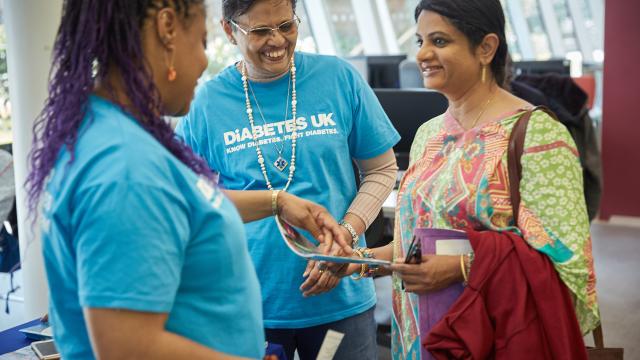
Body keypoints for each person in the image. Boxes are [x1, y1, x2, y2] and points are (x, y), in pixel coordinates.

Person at [26, 0, 350, 359]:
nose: (201, 63)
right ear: (167, 27)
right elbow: (127, 347)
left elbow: (177, 205)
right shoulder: (125, 166)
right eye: (201, 41)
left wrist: (277, 201)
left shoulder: (110, 134)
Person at [337, 0, 600, 358]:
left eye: (440, 41)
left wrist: (463, 268)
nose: (423, 55)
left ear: (486, 48)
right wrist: (363, 260)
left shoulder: (538, 136)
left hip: (492, 336)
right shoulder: (428, 135)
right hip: (421, 334)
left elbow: (567, 264)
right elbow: (419, 245)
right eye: (420, 42)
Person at [176, 0, 400, 358]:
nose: (277, 41)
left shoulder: (338, 78)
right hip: (252, 303)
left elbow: (382, 170)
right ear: (230, 30)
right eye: (260, 31)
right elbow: (186, 198)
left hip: (341, 298)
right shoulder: (206, 103)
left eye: (286, 26)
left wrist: (344, 236)